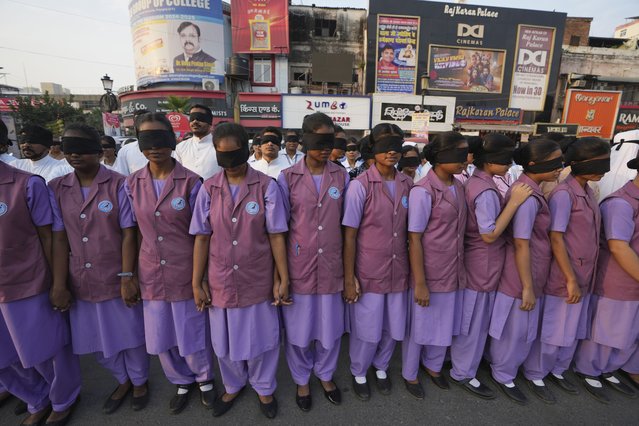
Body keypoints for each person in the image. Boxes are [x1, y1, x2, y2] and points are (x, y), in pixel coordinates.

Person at [48, 124, 150, 415]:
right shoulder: (57, 188)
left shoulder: (120, 184)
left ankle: (140, 381)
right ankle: (121, 379)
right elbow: (57, 237)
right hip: (80, 275)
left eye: (81, 149)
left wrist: (128, 276)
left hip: (115, 272)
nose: (74, 155)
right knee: (93, 338)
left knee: (129, 334)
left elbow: (130, 232)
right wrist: (58, 283)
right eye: (69, 150)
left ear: (98, 151)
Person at [190, 123, 289, 419]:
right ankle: (233, 384)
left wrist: (283, 277)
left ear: (247, 151)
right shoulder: (208, 189)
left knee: (262, 338)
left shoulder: (266, 186)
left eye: (236, 155)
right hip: (220, 278)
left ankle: (263, 385)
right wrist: (197, 281)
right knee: (223, 339)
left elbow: (276, 235)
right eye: (224, 157)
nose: (231, 163)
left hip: (256, 276)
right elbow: (201, 236)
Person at [125, 113, 216, 415]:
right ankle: (179, 380)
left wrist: (200, 278)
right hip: (150, 270)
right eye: (146, 139)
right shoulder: (132, 184)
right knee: (161, 334)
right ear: (139, 143)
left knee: (191, 330)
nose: (154, 147)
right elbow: (132, 232)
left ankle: (204, 380)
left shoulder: (191, 182)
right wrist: (130, 274)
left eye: (160, 138)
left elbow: (203, 234)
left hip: (185, 269)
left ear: (173, 139)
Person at [522, 137, 611, 404]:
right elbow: (556, 237)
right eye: (598, 163)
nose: (603, 170)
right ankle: (536, 371)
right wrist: (570, 277)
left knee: (571, 326)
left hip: (584, 272)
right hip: (565, 274)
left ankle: (557, 369)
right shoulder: (563, 194)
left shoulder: (586, 190)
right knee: (553, 325)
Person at [0, 157, 82, 426]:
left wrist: (59, 283)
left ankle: (63, 398)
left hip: (26, 282)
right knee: (4, 356)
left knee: (47, 350)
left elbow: (52, 237)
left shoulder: (26, 185)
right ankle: (36, 396)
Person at [450, 133, 532, 400]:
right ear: (489, 162)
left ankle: (468, 365)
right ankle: (463, 372)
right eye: (505, 159)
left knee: (476, 319)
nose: (509, 164)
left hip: (481, 261)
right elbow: (488, 234)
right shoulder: (484, 190)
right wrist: (515, 202)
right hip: (481, 261)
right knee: (473, 321)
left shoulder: (478, 182)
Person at [278, 113, 348, 411]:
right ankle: (302, 379)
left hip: (332, 264)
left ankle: (326, 375)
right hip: (300, 263)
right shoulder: (287, 178)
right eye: (318, 141)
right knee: (299, 330)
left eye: (329, 141)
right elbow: (279, 228)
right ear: (305, 139)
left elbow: (348, 226)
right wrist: (280, 275)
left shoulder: (342, 175)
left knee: (329, 327)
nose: (324, 147)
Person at [488, 138, 563, 405]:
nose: (559, 168)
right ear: (534, 164)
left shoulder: (532, 190)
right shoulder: (527, 197)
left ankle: (507, 370)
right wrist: (527, 286)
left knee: (521, 326)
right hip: (521, 273)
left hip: (532, 269)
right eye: (554, 162)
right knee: (514, 328)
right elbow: (521, 242)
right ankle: (503, 374)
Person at [342, 123, 412, 401]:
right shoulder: (360, 186)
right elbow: (350, 235)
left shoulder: (408, 184)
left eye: (397, 145)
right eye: (385, 145)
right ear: (373, 148)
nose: (392, 151)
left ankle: (381, 366)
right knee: (367, 326)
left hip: (399, 269)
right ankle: (359, 370)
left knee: (392, 325)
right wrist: (349, 277)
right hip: (369, 268)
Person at [402, 132, 468, 399]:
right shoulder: (423, 191)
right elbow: (414, 238)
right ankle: (409, 372)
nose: (465, 160)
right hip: (429, 269)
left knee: (444, 321)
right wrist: (420, 282)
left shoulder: (460, 186)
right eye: (459, 154)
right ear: (440, 158)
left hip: (453, 267)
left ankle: (433, 365)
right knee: (420, 323)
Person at [573, 150, 639, 403]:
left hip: (631, 281)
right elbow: (618, 247)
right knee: (605, 329)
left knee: (626, 330)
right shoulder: (621, 203)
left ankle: (608, 369)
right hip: (617, 278)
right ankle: (589, 370)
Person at [175, 104, 221, 180]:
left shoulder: (220, 146)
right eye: (192, 118)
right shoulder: (181, 147)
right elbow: (177, 175)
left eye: (200, 118)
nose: (195, 121)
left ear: (209, 122)